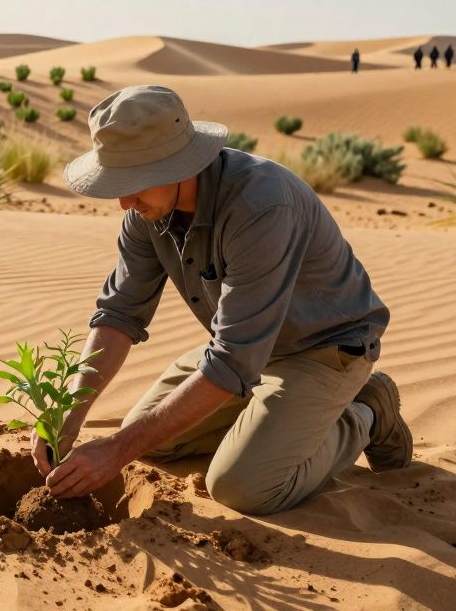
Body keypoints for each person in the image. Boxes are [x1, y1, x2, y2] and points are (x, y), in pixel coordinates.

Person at [38, 85, 410, 516]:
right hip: (247, 345)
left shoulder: (261, 205)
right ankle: (278, 423)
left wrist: (115, 453)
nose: (124, 201)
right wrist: (69, 413)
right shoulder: (147, 211)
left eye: (133, 182)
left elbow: (232, 360)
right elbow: (119, 315)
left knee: (243, 487)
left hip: (322, 350)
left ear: (180, 165)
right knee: (153, 444)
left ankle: (364, 411)